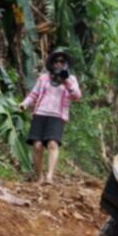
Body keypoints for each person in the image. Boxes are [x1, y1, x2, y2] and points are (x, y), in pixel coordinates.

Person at [20, 49, 81, 184]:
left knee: (53, 144)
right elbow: (34, 94)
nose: (59, 64)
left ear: (66, 64)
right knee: (37, 146)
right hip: (40, 113)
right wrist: (24, 104)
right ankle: (39, 177)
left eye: (62, 61)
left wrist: (66, 82)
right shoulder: (44, 78)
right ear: (52, 64)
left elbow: (77, 96)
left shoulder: (71, 79)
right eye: (56, 61)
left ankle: (49, 177)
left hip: (57, 116)